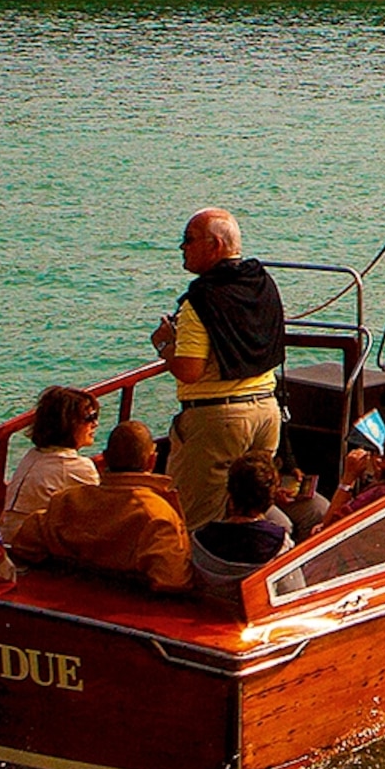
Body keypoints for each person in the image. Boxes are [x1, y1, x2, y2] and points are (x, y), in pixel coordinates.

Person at [153, 207, 285, 532]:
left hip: (218, 420)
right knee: (252, 512)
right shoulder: (261, 284)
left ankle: (203, 578)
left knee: (197, 520)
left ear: (214, 245)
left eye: (188, 240)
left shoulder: (201, 300)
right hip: (267, 411)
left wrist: (164, 344)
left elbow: (190, 370)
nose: (182, 247)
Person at [12, 419, 190, 594]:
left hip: (68, 598)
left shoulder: (66, 501)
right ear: (152, 461)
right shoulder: (158, 515)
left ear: (105, 458)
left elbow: (24, 545)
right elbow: (172, 581)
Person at [0, 385, 102, 538]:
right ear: (68, 423)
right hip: (34, 551)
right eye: (89, 418)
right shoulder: (78, 467)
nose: (95, 424)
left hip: (10, 541)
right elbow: (99, 516)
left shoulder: (32, 456)